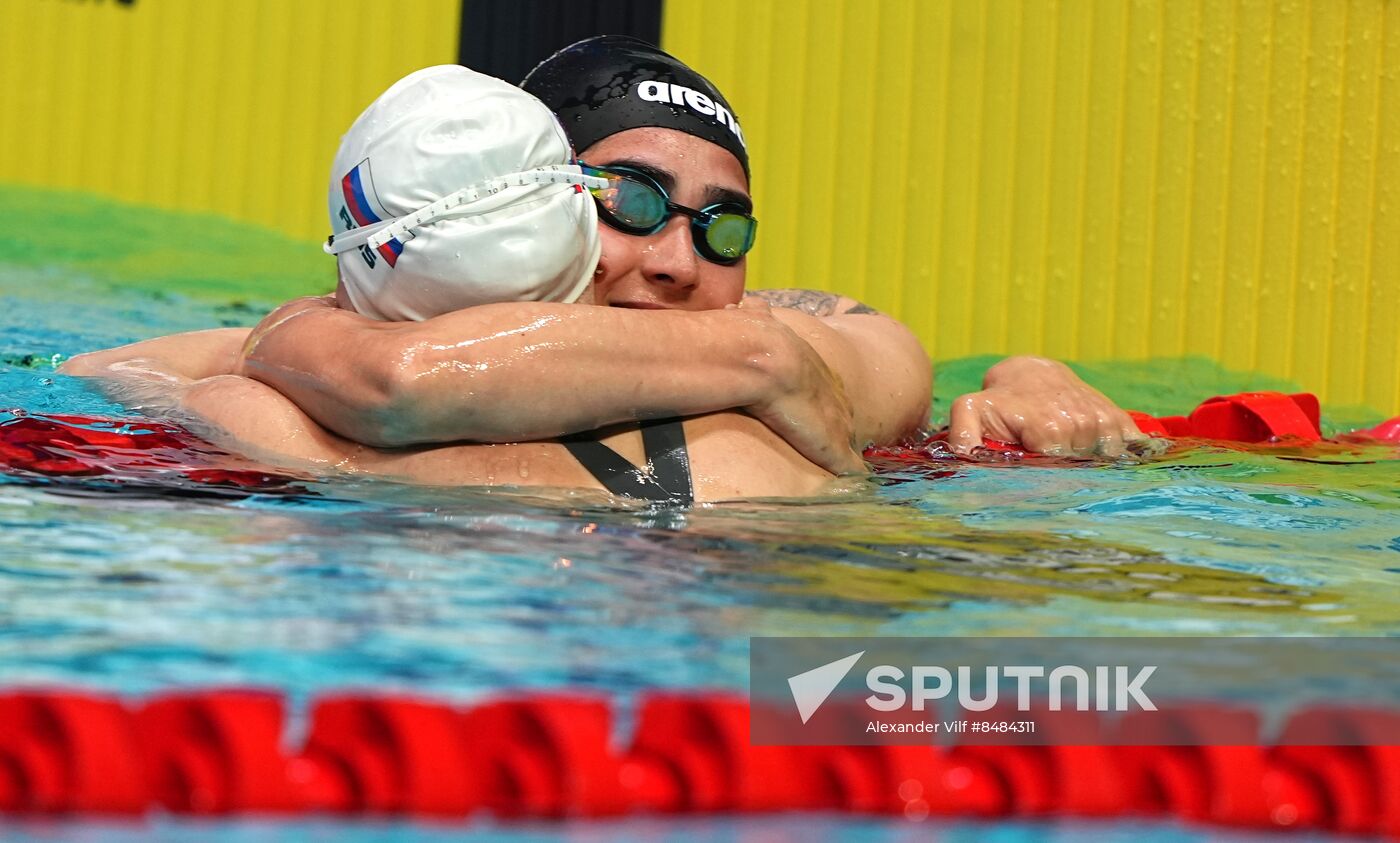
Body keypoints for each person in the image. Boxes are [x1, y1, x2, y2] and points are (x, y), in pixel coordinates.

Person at [234, 36, 1142, 462]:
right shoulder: (346, 338)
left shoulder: (807, 336)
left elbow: (891, 365)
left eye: (724, 227)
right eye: (633, 201)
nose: (678, 260)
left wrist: (1032, 371)